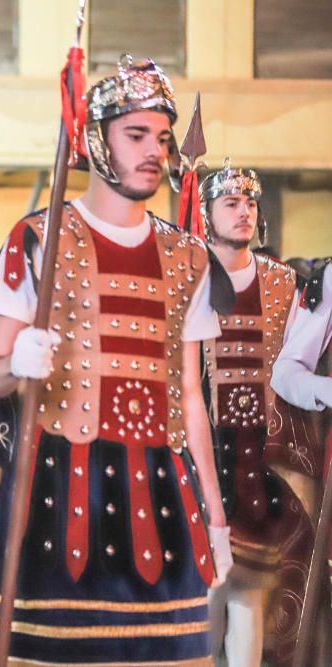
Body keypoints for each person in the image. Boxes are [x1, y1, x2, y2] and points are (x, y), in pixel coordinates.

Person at [0, 57, 233, 666]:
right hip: (56, 489)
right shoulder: (36, 239)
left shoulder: (189, 257)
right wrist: (17, 362)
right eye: (135, 135)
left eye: (160, 137)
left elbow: (189, 399)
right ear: (96, 140)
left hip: (164, 499)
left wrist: (215, 514)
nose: (153, 151)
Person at [200, 162, 316, 667]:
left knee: (251, 607)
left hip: (261, 463)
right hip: (202, 455)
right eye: (231, 203)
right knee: (201, 605)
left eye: (250, 203)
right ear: (207, 215)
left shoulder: (286, 283)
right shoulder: (189, 277)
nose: (244, 211)